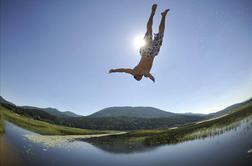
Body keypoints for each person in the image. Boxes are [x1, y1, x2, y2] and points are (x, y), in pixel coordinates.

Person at [109, 4, 169, 82]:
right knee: (161, 34)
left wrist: (114, 70)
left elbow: (124, 70)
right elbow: (147, 74)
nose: (140, 78)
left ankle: (152, 13)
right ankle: (163, 15)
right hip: (154, 52)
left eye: (138, 79)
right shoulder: (145, 74)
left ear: (136, 76)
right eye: (140, 79)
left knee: (149, 30)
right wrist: (151, 77)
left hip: (145, 51)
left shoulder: (134, 72)